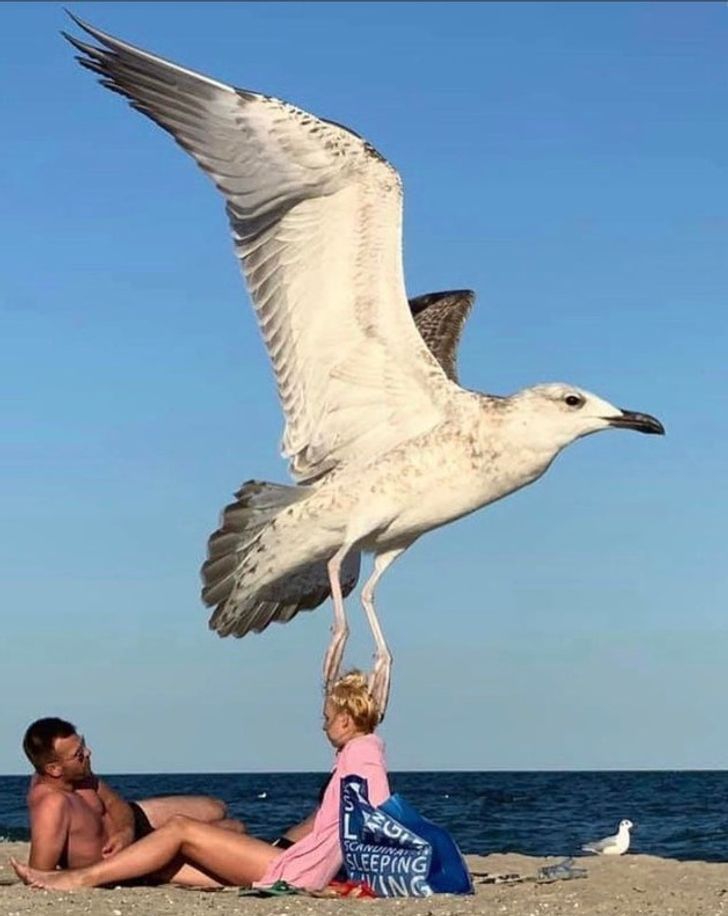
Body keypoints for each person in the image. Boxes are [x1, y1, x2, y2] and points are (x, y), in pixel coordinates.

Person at [12, 672, 390, 891]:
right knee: (181, 854)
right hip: (304, 865)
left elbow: (373, 818)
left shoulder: (361, 756)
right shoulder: (359, 753)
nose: (322, 724)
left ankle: (82, 880)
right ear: (54, 769)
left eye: (326, 718)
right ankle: (95, 875)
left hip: (300, 870)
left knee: (181, 829)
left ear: (344, 721)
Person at [19, 717, 245, 885]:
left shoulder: (80, 775)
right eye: (78, 754)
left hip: (131, 828)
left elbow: (116, 803)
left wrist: (126, 831)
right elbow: (39, 873)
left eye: (84, 745)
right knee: (234, 829)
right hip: (130, 860)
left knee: (216, 807)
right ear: (54, 769)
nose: (88, 753)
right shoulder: (51, 804)